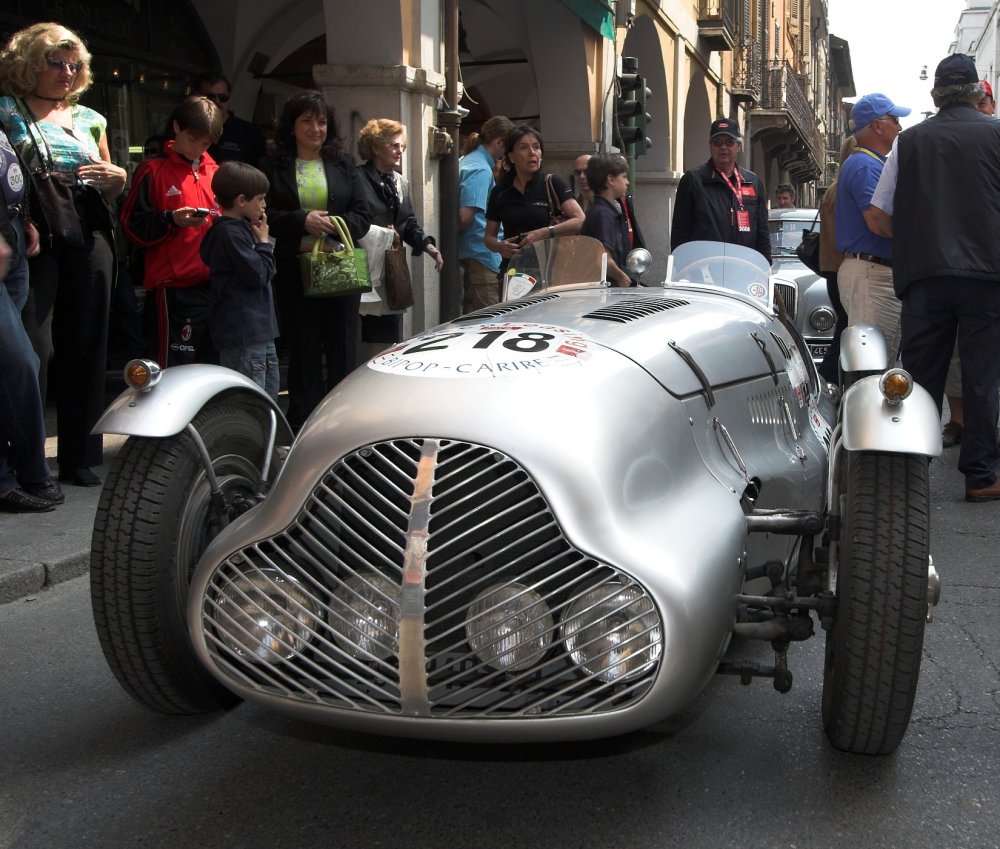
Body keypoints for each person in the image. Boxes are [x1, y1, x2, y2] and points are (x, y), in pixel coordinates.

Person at [0, 22, 127, 488]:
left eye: (75, 65)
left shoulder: (92, 118)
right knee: (36, 348)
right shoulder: (5, 111)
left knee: (88, 344)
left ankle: (78, 456)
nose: (67, 73)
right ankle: (26, 458)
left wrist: (119, 180)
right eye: (56, 62)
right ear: (29, 63)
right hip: (34, 231)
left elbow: (108, 183)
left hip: (89, 228)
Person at [871, 54, 1000, 502]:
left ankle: (911, 475)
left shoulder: (909, 143)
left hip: (924, 274)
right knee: (983, 376)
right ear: (981, 93)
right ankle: (982, 476)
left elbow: (877, 213)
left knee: (922, 376)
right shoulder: (997, 133)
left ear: (934, 95)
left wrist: (912, 238)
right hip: (987, 276)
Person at [262, 90, 371, 432]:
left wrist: (333, 231)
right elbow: (263, 212)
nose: (315, 128)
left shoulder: (344, 164)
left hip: (338, 269)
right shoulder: (273, 164)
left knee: (342, 350)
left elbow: (363, 214)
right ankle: (303, 426)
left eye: (321, 121)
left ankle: (342, 425)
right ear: (291, 126)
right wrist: (302, 221)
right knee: (304, 352)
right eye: (306, 120)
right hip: (295, 270)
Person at [120, 95, 224, 367]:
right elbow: (132, 225)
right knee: (172, 369)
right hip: (174, 290)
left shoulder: (217, 171)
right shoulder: (153, 169)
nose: (199, 148)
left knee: (212, 368)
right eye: (194, 139)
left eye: (206, 143)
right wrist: (170, 219)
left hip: (215, 287)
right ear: (177, 127)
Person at [0, 125, 63, 512]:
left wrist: (22, 219)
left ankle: (10, 475)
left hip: (14, 242)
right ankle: (30, 470)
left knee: (11, 367)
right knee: (21, 363)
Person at [938, 79, 995, 447]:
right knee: (966, 360)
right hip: (978, 269)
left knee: (975, 361)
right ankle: (964, 427)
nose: (982, 106)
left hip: (969, 266)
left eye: (987, 101)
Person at [834, 92, 909, 366]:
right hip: (872, 274)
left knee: (876, 363)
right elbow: (877, 221)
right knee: (872, 367)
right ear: (877, 125)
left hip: (871, 272)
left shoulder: (868, 162)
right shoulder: (866, 165)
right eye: (895, 119)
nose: (900, 127)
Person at [356, 118, 442, 346]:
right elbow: (353, 219)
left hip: (392, 267)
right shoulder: (357, 178)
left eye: (401, 146)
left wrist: (427, 245)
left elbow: (407, 222)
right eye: (393, 145)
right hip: (362, 266)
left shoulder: (401, 182)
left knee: (388, 335)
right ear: (375, 147)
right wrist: (380, 232)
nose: (399, 151)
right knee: (363, 335)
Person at [199, 161, 278, 399]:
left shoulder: (241, 230)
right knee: (249, 402)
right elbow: (258, 275)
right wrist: (263, 244)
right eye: (260, 199)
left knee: (266, 398)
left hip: (260, 330)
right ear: (241, 200)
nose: (264, 205)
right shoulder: (230, 232)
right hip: (244, 331)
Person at [484, 125, 585, 287]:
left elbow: (580, 219)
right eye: (524, 148)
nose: (532, 153)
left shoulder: (553, 183)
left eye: (536, 147)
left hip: (551, 271)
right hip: (513, 272)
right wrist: (500, 247)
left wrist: (543, 233)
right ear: (511, 156)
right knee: (514, 313)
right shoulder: (500, 191)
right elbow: (489, 237)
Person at [670, 117, 771, 263]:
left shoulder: (753, 182)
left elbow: (762, 233)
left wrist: (765, 269)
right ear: (710, 146)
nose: (723, 147)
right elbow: (680, 232)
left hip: (744, 269)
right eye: (717, 142)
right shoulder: (693, 180)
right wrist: (682, 269)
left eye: (729, 142)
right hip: (703, 270)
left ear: (738, 146)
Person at [458, 115, 514, 312]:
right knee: (487, 320)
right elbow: (465, 216)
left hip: (474, 253)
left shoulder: (468, 160)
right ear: (500, 143)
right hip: (480, 256)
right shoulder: (480, 169)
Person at [815, 136, 854, 384]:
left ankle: (830, 375)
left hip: (832, 266)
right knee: (846, 326)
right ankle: (829, 375)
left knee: (845, 325)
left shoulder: (833, 190)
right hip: (841, 266)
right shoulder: (843, 191)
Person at [580, 153, 633, 287]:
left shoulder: (604, 210)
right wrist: (622, 277)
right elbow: (603, 258)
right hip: (604, 290)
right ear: (610, 179)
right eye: (624, 177)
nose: (627, 182)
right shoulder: (603, 214)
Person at [193, 73, 266, 167]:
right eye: (211, 97)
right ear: (197, 97)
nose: (217, 101)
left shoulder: (249, 132)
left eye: (223, 97)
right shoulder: (187, 125)